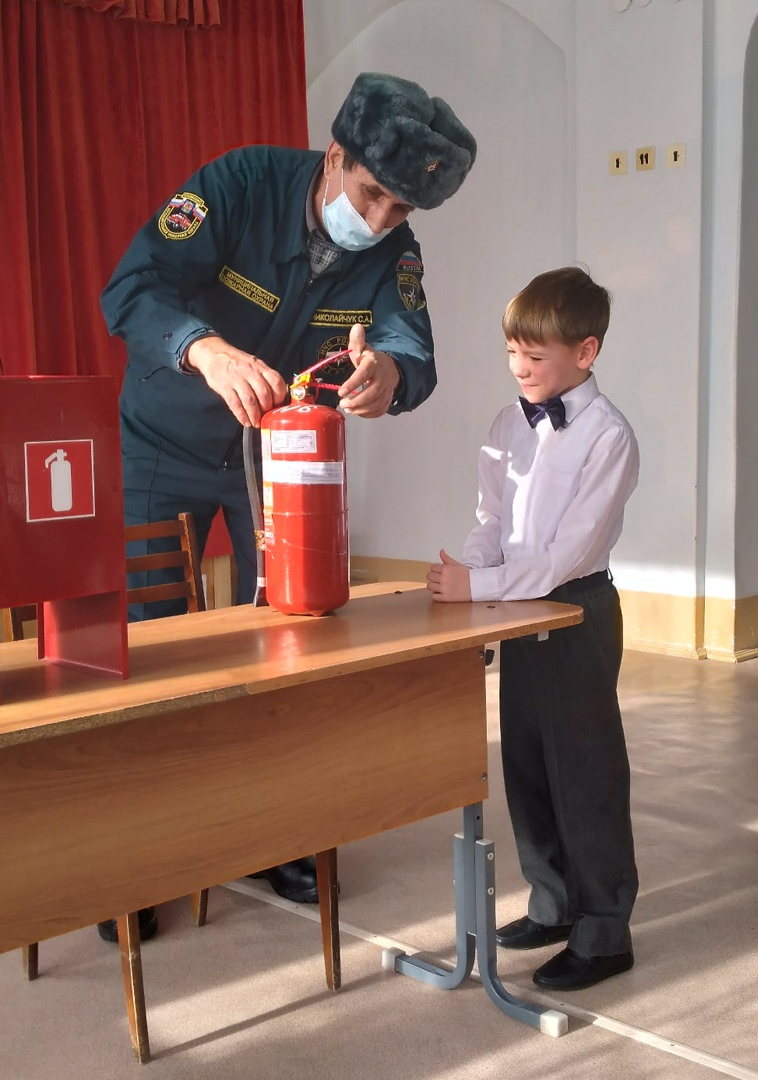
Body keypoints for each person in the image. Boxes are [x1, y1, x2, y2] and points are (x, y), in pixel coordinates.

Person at [98, 72, 476, 941]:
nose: (380, 220)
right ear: (335, 155)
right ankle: (138, 853)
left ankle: (276, 828)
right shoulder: (238, 184)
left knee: (286, 635)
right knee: (153, 644)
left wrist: (388, 373)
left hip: (278, 459)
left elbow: (410, 345)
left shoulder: (395, 246)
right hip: (164, 442)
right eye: (372, 195)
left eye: (401, 209)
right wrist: (203, 349)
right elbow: (134, 286)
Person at [426, 267, 639, 991]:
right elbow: (492, 521)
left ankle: (604, 931)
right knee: (525, 762)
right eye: (512, 352)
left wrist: (480, 588)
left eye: (535, 355)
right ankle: (553, 903)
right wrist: (470, 572)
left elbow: (566, 557)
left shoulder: (609, 437)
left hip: (577, 612)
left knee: (584, 771)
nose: (519, 367)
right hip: (519, 611)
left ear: (585, 351)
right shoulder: (507, 423)